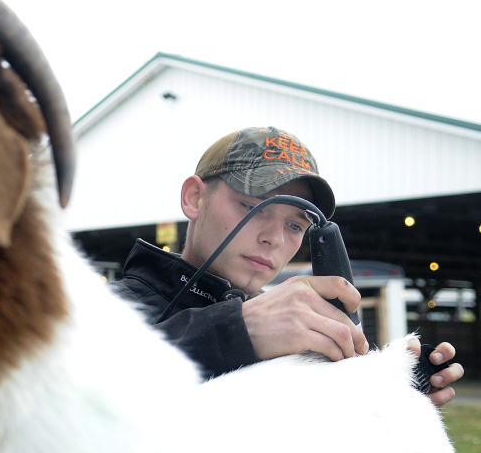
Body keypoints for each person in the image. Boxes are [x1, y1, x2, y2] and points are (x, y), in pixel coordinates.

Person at [109, 126, 463, 407]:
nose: (275, 238)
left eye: (296, 225)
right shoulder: (100, 310)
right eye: (252, 207)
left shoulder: (298, 332)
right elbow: (81, 388)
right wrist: (237, 333)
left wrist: (388, 396)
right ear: (194, 198)